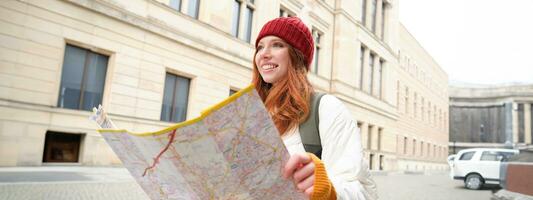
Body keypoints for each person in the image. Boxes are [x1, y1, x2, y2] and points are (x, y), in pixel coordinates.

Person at [252, 17, 378, 200]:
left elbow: (362, 191)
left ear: (297, 56)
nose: (264, 53)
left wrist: (326, 188)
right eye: (260, 47)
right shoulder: (253, 114)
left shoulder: (326, 108)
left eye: (277, 45)